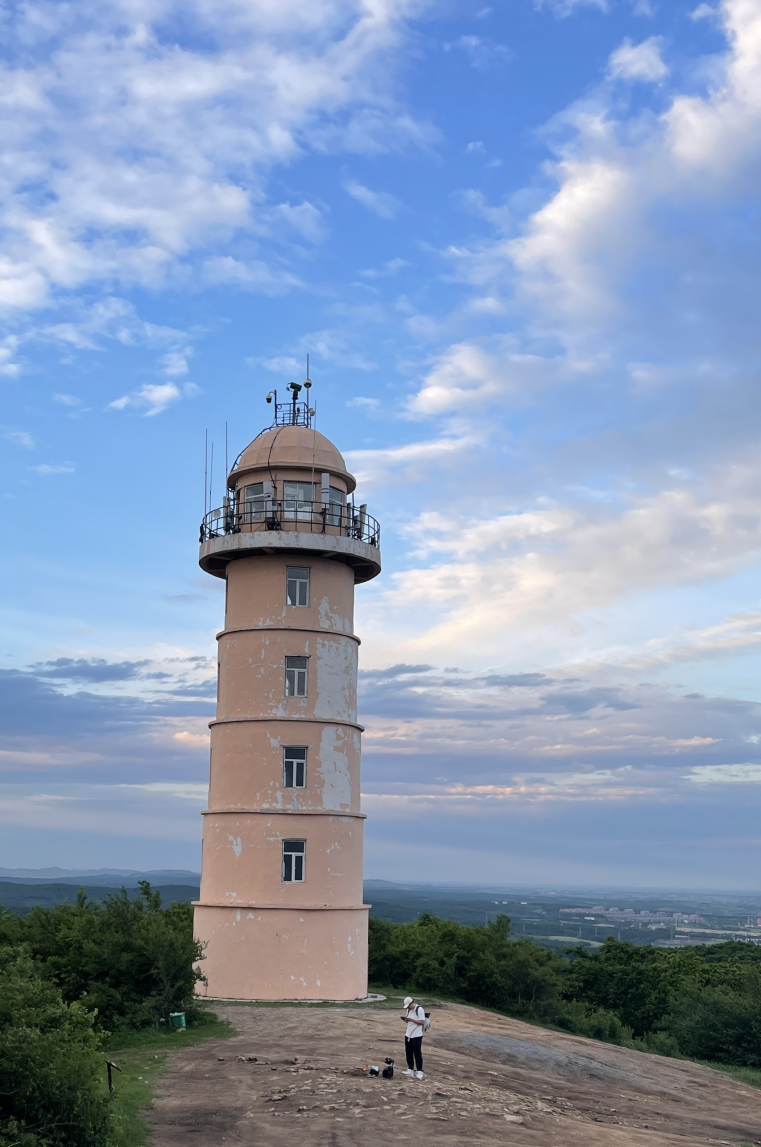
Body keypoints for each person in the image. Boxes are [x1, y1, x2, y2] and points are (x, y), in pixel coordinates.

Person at [400, 995, 426, 1079]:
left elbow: (422, 1022)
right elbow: (410, 1022)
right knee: (408, 1052)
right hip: (408, 1034)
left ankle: (419, 1071)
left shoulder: (419, 1009)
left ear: (412, 1003)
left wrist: (412, 1019)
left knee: (417, 1053)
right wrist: (406, 1020)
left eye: (408, 1006)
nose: (408, 1008)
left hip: (417, 1035)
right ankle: (410, 1069)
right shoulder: (408, 1010)